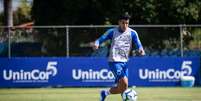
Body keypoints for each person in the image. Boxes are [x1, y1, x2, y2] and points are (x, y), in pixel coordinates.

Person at [90, 12, 145, 101]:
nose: (125, 25)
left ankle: (105, 93)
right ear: (119, 22)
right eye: (123, 23)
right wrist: (96, 44)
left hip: (125, 62)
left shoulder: (132, 33)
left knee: (123, 88)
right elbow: (100, 39)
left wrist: (141, 49)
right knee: (125, 83)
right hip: (114, 61)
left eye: (127, 23)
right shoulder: (112, 31)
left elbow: (138, 44)